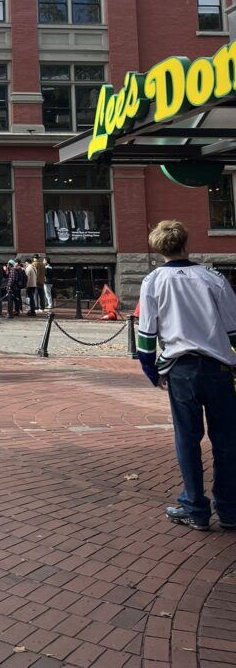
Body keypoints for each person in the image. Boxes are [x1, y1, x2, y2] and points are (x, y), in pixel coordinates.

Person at [138, 220, 236, 532]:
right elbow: (234, 328)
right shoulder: (213, 277)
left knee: (187, 439)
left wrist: (153, 372)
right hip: (219, 368)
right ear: (185, 243)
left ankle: (195, 506)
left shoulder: (153, 281)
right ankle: (231, 509)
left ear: (158, 248)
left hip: (180, 370)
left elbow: (146, 336)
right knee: (226, 440)